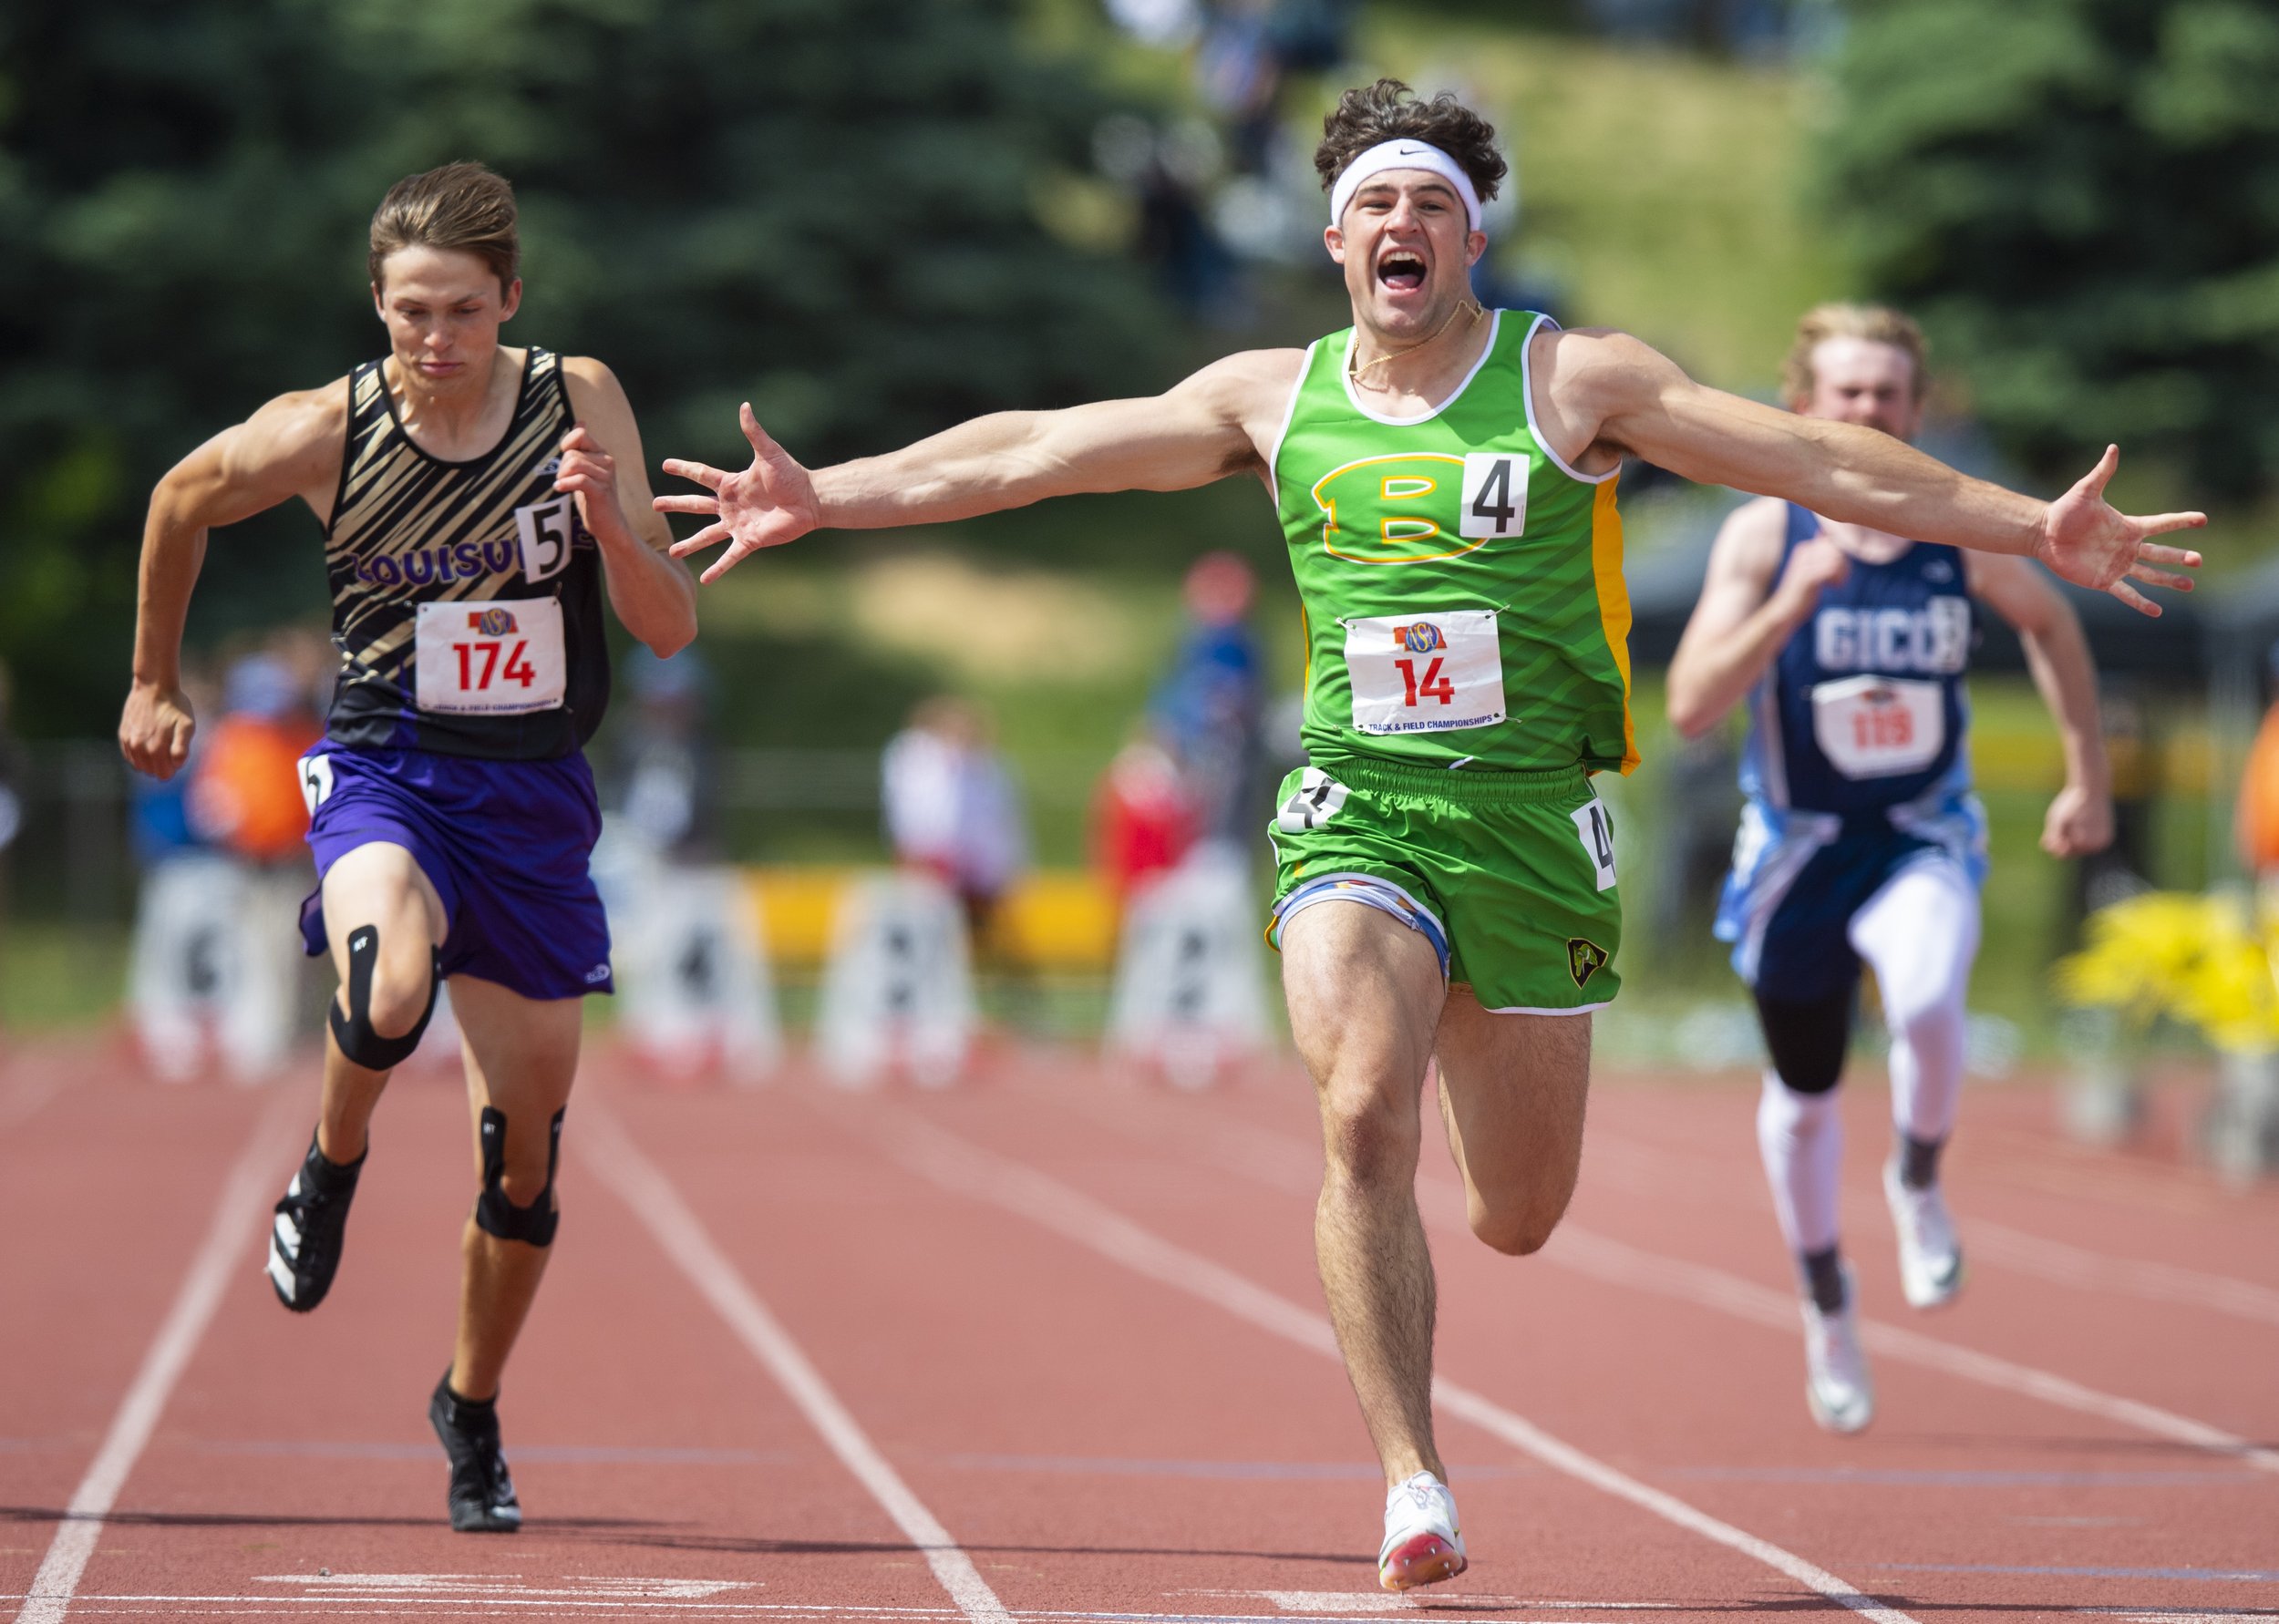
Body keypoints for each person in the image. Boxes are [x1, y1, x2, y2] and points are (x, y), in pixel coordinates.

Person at [656, 81, 2199, 1588]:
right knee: (1359, 1113)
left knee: (1517, 1214)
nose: (1403, 223)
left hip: (1533, 823)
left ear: (1469, 242)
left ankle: (1471, 1039)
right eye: (1375, 203)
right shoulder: (1273, 398)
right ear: (1338, 242)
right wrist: (832, 495)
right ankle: (1410, 1477)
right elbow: (1037, 447)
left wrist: (2022, 525)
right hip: (1358, 802)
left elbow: (1812, 456)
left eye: (1433, 205)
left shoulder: (1572, 381)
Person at [117, 162, 696, 1532]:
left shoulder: (578, 398)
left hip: (538, 799)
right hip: (388, 768)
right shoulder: (336, 425)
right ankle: (328, 1165)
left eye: (461, 313)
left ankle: (470, 1408)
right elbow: (179, 498)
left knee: (526, 1160)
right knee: (386, 985)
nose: (434, 344)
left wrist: (612, 523)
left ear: (511, 301)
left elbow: (668, 624)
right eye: (407, 315)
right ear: (376, 309)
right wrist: (152, 679)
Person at [1665, 303, 2119, 1434]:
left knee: (1923, 997)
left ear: (1917, 414)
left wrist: (2085, 776)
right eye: (1846, 396)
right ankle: (1826, 1301)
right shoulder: (1761, 536)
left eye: (1887, 397)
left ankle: (1916, 1178)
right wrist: (1790, 604)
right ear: (1803, 408)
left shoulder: (1954, 538)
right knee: (1805, 1099)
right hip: (1799, 852)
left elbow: (2054, 628)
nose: (1867, 413)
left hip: (1920, 832)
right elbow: (1687, 707)